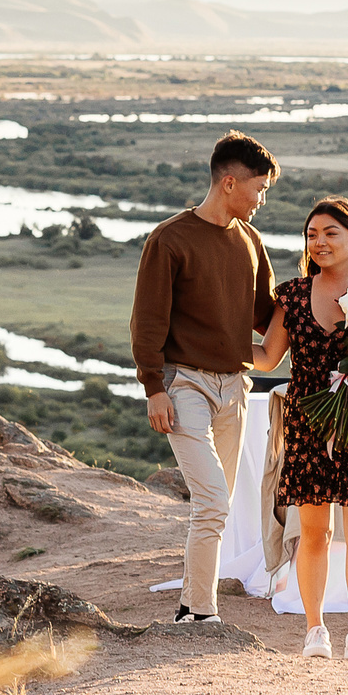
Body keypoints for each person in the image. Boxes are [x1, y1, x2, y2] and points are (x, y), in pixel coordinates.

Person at [130, 130, 279, 624]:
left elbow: (267, 316)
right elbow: (147, 321)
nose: (261, 200)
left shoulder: (251, 242)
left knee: (217, 504)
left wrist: (327, 300)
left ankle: (191, 609)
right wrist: (153, 387)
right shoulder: (169, 239)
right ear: (230, 182)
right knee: (213, 500)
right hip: (184, 385)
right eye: (259, 188)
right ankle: (202, 613)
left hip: (235, 387)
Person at [255, 196, 348, 660]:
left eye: (330, 233)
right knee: (314, 531)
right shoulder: (293, 295)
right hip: (306, 424)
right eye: (311, 235)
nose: (319, 242)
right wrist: (211, 338)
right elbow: (266, 358)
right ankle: (314, 629)